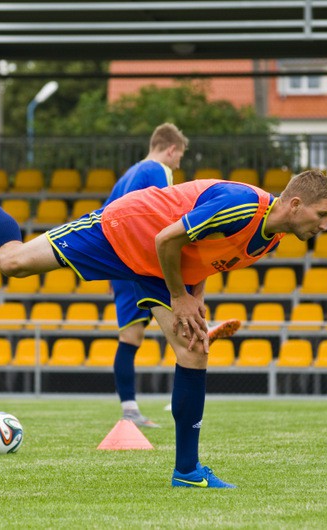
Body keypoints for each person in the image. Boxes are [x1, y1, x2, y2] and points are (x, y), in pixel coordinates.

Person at [0, 168, 327, 488]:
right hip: (125, 228)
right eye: (322, 215)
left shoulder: (271, 236)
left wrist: (197, 303)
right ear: (294, 205)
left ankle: (187, 472)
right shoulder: (242, 205)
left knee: (194, 349)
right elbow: (167, 239)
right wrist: (180, 297)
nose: (323, 226)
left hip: (161, 264)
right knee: (12, 263)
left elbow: (205, 255)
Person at [103, 123, 240, 428]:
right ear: (171, 149)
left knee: (131, 336)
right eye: (179, 158)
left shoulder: (127, 175)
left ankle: (130, 410)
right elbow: (167, 219)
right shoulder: (159, 170)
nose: (178, 165)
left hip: (119, 262)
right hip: (140, 258)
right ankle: (188, 370)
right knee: (182, 309)